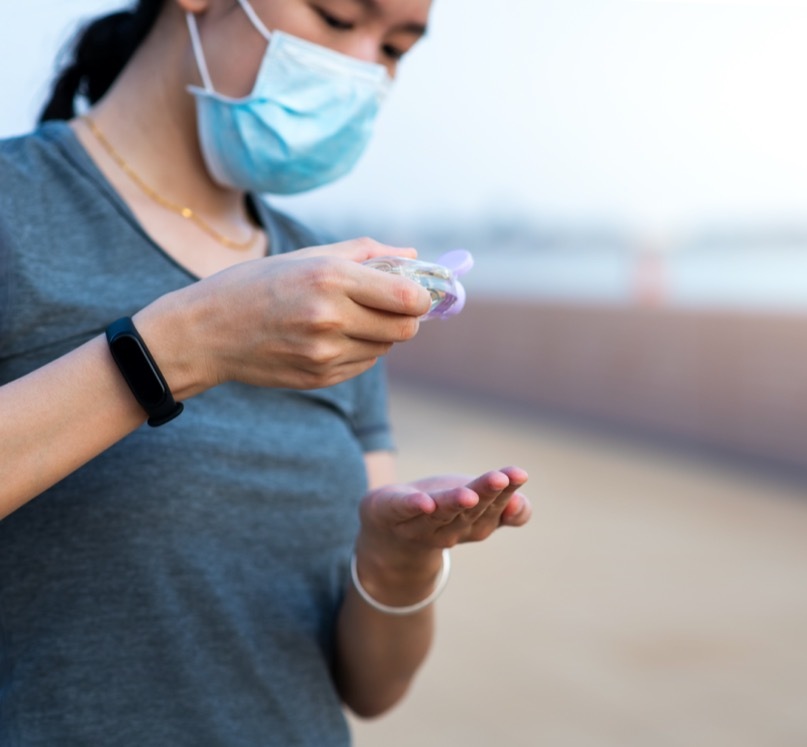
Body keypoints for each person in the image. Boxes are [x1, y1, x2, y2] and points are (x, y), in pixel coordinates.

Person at [0, 1, 532, 744]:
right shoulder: (14, 209)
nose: (365, 66)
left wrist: (399, 557)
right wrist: (179, 348)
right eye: (339, 17)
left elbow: (371, 687)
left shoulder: (330, 276)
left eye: (398, 47)